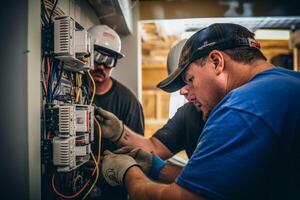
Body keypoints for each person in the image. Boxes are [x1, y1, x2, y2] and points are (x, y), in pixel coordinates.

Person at [100, 23, 300, 200]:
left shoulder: (240, 107)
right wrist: (155, 166)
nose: (186, 91)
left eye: (190, 79)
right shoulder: (290, 82)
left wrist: (128, 174)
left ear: (216, 62)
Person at [95, 39, 205, 183]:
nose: (182, 91)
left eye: (190, 79)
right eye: (181, 84)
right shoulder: (189, 113)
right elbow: (154, 147)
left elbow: (214, 181)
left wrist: (155, 168)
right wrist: (119, 132)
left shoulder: (236, 117)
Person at [87, 25, 145, 200]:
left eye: (109, 61)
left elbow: (138, 153)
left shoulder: (129, 102)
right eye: (97, 57)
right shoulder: (72, 91)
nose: (102, 66)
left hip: (112, 191)